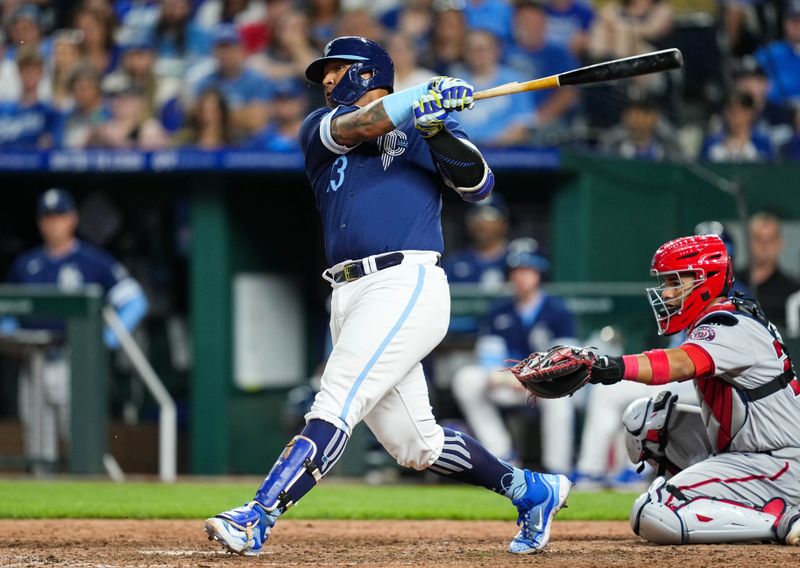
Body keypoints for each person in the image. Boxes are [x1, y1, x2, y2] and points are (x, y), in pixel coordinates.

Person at [204, 35, 570, 557]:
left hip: (405, 282)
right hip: (348, 293)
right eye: (324, 73)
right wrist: (421, 97)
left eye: (337, 69)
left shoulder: (421, 124)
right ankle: (533, 491)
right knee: (415, 445)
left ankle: (258, 516)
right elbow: (365, 123)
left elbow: (479, 185)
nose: (327, 80)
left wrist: (437, 127)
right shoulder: (320, 128)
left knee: (335, 400)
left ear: (371, 70)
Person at [566, 234, 800, 545]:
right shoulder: (723, 316)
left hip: (778, 462)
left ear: (707, 280)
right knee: (647, 422)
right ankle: (718, 494)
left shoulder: (730, 325)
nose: (668, 293)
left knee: (653, 512)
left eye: (676, 282)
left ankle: (780, 520)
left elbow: (679, 363)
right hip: (748, 450)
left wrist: (611, 366)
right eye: (666, 283)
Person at [3, 188, 148, 470]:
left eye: (59, 215)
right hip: (34, 360)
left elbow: (135, 301)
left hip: (74, 361)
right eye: (47, 216)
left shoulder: (93, 261)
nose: (53, 223)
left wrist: (105, 340)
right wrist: (11, 334)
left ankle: (96, 496)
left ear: (72, 219)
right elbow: (8, 310)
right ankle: (40, 504)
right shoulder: (27, 264)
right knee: (36, 443)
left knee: (82, 438)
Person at [451, 238, 578, 472]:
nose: (521, 276)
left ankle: (558, 469)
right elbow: (490, 361)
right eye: (517, 270)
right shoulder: (500, 310)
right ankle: (502, 457)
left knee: (560, 398)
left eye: (528, 269)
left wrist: (533, 377)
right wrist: (512, 377)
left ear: (540, 272)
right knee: (467, 379)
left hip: (547, 386)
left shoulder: (557, 310)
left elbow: (566, 363)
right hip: (510, 382)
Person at [736, 212, 800, 333]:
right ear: (748, 241)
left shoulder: (792, 291)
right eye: (758, 239)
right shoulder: (731, 282)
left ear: (780, 243)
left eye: (770, 239)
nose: (764, 246)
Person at [700, 91, 774, 163]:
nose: (736, 115)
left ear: (751, 113)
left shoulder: (763, 144)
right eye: (731, 110)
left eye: (741, 111)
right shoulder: (711, 143)